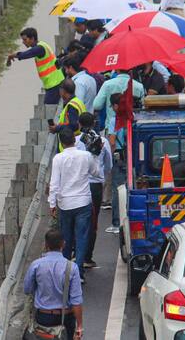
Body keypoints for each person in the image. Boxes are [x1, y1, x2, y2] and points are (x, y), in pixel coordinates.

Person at [49, 129, 101, 281]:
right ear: (74, 139)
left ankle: (66, 271)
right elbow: (96, 173)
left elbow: (54, 183)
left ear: (61, 142)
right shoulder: (85, 156)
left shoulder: (58, 159)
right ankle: (78, 272)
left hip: (65, 203)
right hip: (83, 202)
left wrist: (52, 203)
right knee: (82, 237)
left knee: (66, 237)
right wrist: (95, 156)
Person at [24, 229, 84, 340]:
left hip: (43, 317)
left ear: (46, 245)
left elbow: (27, 289)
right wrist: (79, 326)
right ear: (63, 244)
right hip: (66, 318)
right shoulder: (72, 267)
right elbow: (76, 301)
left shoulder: (36, 265)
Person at [75, 113, 112, 269]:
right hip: (95, 186)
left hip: (79, 185)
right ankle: (87, 257)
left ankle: (76, 254)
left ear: (79, 124)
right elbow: (109, 164)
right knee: (92, 222)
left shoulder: (75, 142)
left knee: (78, 220)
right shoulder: (103, 142)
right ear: (95, 123)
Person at [7, 28, 65, 105]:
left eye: (25, 40)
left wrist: (12, 56)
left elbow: (26, 54)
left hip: (54, 83)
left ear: (32, 38)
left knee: (49, 110)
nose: (23, 42)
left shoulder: (39, 48)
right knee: (50, 109)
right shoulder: (41, 45)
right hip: (53, 83)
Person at [105, 93, 127, 234]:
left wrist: (109, 157)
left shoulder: (115, 120)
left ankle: (116, 223)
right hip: (129, 156)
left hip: (118, 157)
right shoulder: (130, 118)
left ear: (116, 106)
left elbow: (112, 141)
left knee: (116, 190)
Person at [51, 79, 87, 151]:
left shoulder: (71, 105)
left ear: (63, 91)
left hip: (71, 146)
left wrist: (57, 128)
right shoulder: (78, 102)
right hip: (79, 143)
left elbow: (73, 126)